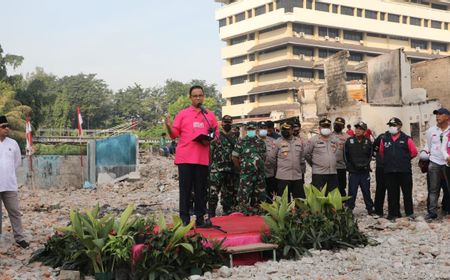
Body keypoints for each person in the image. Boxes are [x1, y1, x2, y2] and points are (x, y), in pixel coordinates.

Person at [165, 85, 219, 226]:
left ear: (203, 96)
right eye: (195, 96)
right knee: (186, 190)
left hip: (202, 159)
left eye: (200, 95)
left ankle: (200, 219)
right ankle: (184, 219)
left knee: (201, 191)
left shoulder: (209, 115)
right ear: (190, 98)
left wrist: (209, 139)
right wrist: (168, 126)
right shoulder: (182, 114)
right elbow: (174, 134)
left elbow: (216, 134)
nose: (198, 98)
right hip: (185, 158)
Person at [379, 117, 418, 220]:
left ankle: (409, 213)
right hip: (390, 171)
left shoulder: (407, 139)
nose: (391, 128)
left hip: (404, 171)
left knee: (407, 193)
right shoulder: (384, 139)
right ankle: (393, 214)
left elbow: (414, 152)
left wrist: (403, 160)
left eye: (394, 125)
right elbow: (382, 152)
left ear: (399, 126)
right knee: (392, 193)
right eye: (390, 126)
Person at [0, 115, 29, 248]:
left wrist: (8, 172)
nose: (7, 129)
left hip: (9, 184)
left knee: (15, 211)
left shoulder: (13, 143)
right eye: (3, 127)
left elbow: (17, 162)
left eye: (7, 126)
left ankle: (19, 238)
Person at [422, 108, 450, 221]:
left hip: (448, 163)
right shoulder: (431, 131)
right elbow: (428, 145)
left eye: (440, 114)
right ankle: (432, 212)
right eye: (436, 114)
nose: (437, 116)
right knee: (433, 189)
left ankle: (447, 209)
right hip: (434, 162)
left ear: (447, 117)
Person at [232, 122, 266, 213]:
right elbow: (234, 157)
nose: (251, 131)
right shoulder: (241, 141)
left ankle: (258, 213)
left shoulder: (261, 142)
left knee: (259, 195)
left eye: (253, 129)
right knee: (244, 195)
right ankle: (244, 214)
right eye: (249, 129)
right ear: (247, 130)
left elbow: (264, 157)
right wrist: (241, 169)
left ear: (257, 130)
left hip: (259, 174)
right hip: (246, 174)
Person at [208, 115, 238, 217]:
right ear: (222, 123)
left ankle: (227, 212)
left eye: (229, 122)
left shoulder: (235, 137)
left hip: (230, 170)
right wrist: (209, 166)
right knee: (213, 192)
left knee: (228, 194)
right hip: (217, 170)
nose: (227, 124)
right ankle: (211, 213)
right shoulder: (216, 136)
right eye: (225, 122)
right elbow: (210, 152)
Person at [269, 122, 306, 200]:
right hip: (283, 177)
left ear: (292, 130)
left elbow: (302, 158)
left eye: (287, 130)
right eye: (283, 129)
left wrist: (302, 172)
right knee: (284, 202)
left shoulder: (299, 142)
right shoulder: (277, 142)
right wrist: (278, 168)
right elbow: (271, 158)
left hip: (297, 176)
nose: (285, 131)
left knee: (300, 201)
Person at [344, 121, 375, 214]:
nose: (357, 130)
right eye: (356, 128)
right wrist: (349, 167)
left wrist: (366, 165)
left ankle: (370, 208)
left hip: (364, 172)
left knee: (366, 191)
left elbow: (370, 155)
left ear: (364, 131)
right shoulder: (349, 141)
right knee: (352, 192)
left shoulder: (368, 141)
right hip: (353, 172)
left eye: (360, 129)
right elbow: (345, 156)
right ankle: (349, 209)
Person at [304, 118, 339, 193]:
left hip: (332, 173)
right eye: (324, 126)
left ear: (330, 128)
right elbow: (306, 154)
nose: (326, 128)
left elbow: (334, 153)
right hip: (319, 174)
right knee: (319, 197)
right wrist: (314, 164)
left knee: (332, 197)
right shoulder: (313, 140)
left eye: (328, 126)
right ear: (319, 128)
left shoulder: (334, 140)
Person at [258, 121, 277, 202]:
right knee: (259, 196)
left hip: (270, 173)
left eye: (265, 128)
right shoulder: (252, 141)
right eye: (261, 128)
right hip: (257, 174)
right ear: (257, 130)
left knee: (270, 196)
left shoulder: (273, 141)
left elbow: (277, 156)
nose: (263, 130)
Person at [333, 117, 349, 196]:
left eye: (339, 125)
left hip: (341, 167)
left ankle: (342, 206)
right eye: (336, 124)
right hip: (330, 167)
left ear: (343, 127)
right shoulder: (328, 136)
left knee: (341, 187)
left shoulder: (347, 137)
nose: (337, 126)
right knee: (331, 188)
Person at [373, 132, 387, 217]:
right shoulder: (381, 137)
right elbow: (374, 148)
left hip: (392, 168)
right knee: (380, 188)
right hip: (381, 167)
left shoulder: (401, 137)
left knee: (393, 190)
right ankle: (378, 210)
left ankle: (394, 211)